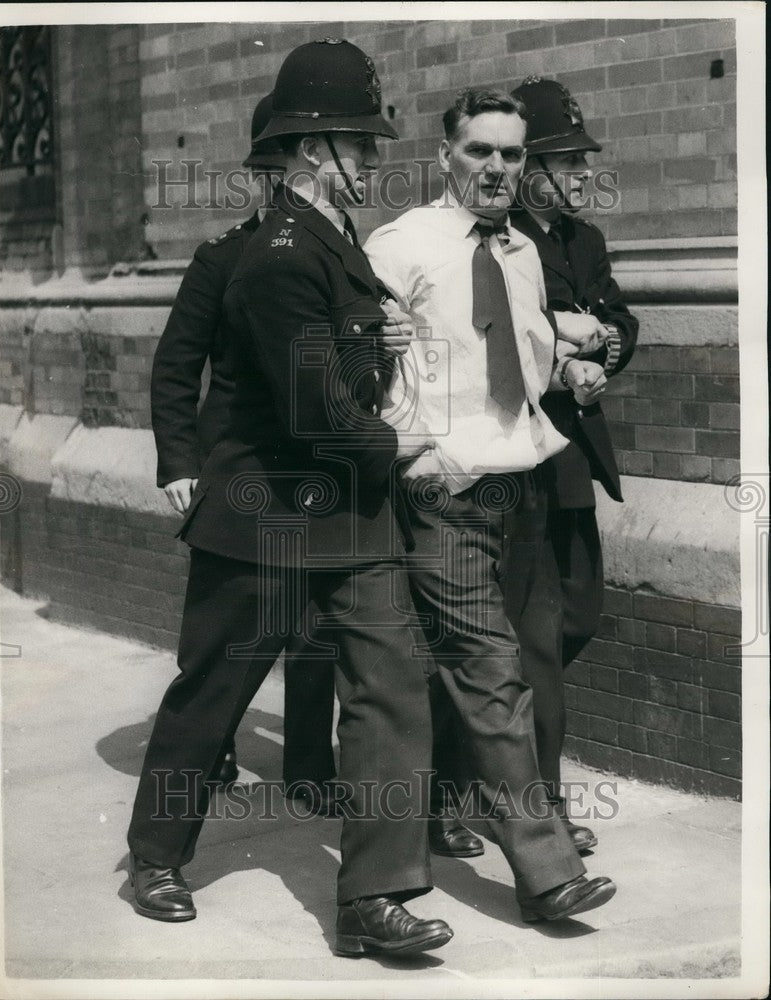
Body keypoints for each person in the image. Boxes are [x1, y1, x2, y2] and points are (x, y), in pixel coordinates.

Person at [127, 38, 454, 958]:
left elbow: (330, 371)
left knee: (391, 692)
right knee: (215, 695)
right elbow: (309, 405)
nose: (375, 161)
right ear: (313, 151)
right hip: (264, 517)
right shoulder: (274, 253)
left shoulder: (328, 243)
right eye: (362, 143)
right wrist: (400, 442)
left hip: (350, 516)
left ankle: (373, 900)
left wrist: (379, 342)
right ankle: (156, 855)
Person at [364, 87, 616, 923]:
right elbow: (369, 370)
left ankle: (439, 805)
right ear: (445, 157)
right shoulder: (401, 247)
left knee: (496, 663)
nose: (498, 168)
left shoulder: (519, 254)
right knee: (490, 670)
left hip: (525, 489)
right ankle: (545, 875)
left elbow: (519, 361)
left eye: (511, 154)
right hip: (446, 490)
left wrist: (569, 366)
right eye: (480, 151)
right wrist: (419, 456)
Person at [150, 93, 337, 805]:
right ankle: (196, 772)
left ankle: (311, 771)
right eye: (266, 178)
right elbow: (176, 365)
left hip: (319, 485)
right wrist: (179, 461)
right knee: (220, 654)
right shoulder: (222, 258)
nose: (275, 192)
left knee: (318, 642)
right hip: (242, 483)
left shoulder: (330, 254)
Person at [507, 76, 639, 850]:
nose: (583, 173)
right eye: (566, 160)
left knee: (578, 614)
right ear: (529, 168)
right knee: (537, 637)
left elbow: (615, 312)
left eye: (583, 159)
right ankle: (542, 810)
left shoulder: (581, 240)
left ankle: (474, 767)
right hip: (525, 458)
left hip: (575, 460)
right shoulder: (505, 239)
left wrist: (608, 343)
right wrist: (563, 351)